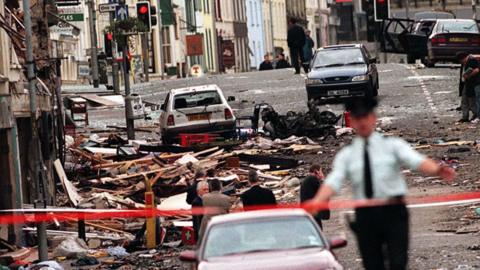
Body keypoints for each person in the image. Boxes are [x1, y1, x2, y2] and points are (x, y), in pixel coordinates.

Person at [310, 98, 455, 270]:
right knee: (372, 264)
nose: (362, 122)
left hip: (394, 212)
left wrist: (438, 170)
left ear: (373, 118)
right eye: (358, 118)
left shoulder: (392, 145)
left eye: (366, 117)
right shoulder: (347, 155)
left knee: (398, 262)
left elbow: (416, 161)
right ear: (353, 122)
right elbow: (334, 181)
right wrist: (317, 201)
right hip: (366, 215)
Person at [300, 164, 330, 229]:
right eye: (321, 171)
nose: (322, 173)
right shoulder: (312, 179)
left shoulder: (309, 179)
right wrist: (322, 179)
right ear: (316, 171)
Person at [457, 52, 480, 123]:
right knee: (465, 100)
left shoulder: (473, 60)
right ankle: (465, 116)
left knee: (473, 100)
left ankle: (476, 115)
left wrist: (469, 75)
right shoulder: (465, 62)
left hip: (473, 83)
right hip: (466, 83)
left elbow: (477, 70)